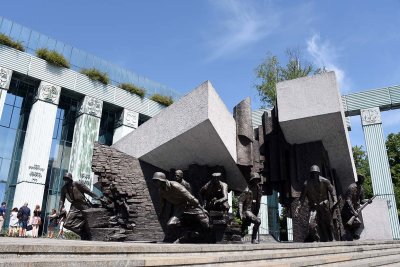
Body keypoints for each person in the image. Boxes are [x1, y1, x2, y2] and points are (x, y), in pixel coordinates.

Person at [153, 172, 209, 243]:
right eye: (154, 181)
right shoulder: (161, 191)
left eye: (156, 180)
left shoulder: (175, 185)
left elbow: (190, 197)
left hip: (191, 205)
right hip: (180, 207)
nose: (154, 183)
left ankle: (202, 237)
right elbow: (162, 204)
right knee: (171, 224)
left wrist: (202, 209)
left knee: (205, 223)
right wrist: (160, 214)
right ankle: (183, 237)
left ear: (161, 180)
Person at [295, 165, 338, 242]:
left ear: (319, 173)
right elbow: (302, 198)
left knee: (329, 222)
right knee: (311, 224)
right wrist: (298, 208)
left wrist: (334, 200)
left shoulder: (325, 181)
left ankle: (332, 237)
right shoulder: (306, 184)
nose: (314, 175)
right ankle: (317, 238)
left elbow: (332, 191)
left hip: (324, 204)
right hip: (313, 206)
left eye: (316, 173)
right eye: (313, 173)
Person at [59, 172, 98, 240]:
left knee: (90, 222)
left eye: (67, 178)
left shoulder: (77, 184)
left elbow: (89, 192)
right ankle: (84, 234)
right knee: (66, 224)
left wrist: (98, 198)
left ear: (70, 178)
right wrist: (60, 209)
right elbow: (62, 200)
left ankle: (88, 234)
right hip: (74, 206)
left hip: (83, 205)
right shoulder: (64, 188)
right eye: (65, 178)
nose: (66, 180)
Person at [341, 174, 373, 240]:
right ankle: (350, 235)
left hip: (355, 210)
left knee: (355, 224)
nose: (363, 181)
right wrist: (353, 211)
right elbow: (348, 200)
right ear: (359, 179)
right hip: (348, 209)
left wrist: (368, 200)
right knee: (356, 223)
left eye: (363, 180)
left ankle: (351, 235)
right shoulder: (352, 187)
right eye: (362, 180)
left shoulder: (361, 189)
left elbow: (362, 200)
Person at [239, 173, 262, 244]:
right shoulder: (247, 190)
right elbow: (240, 202)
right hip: (247, 210)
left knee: (244, 225)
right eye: (255, 180)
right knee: (258, 221)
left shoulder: (258, 189)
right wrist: (240, 213)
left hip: (254, 210)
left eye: (257, 180)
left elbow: (258, 200)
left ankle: (239, 237)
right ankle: (253, 239)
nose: (256, 181)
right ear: (252, 180)